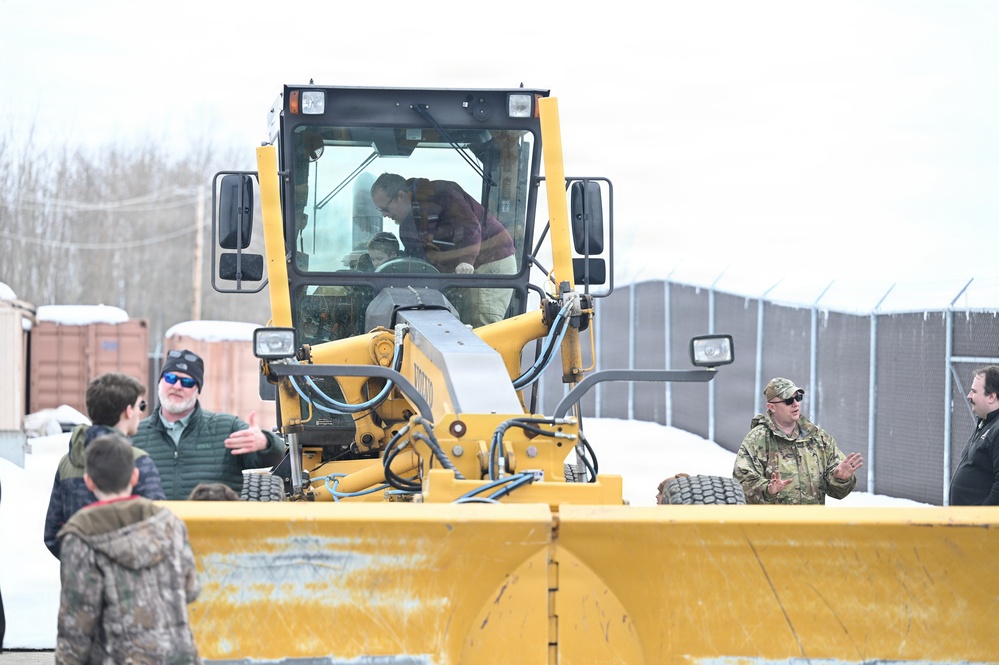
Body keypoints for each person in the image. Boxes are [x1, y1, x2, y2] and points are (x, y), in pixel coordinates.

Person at [55, 432, 201, 663]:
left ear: (88, 481)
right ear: (134, 477)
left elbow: (77, 621)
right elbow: (192, 589)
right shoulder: (170, 525)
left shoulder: (81, 536)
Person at [133, 349, 287, 500]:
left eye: (187, 382)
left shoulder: (227, 428)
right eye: (171, 378)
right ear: (160, 382)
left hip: (213, 525)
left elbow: (276, 456)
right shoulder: (134, 435)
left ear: (198, 390)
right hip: (155, 525)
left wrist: (266, 443)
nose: (177, 386)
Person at [43, 372, 166, 559]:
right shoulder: (139, 462)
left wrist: (81, 565)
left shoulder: (67, 462)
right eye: (140, 405)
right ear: (128, 411)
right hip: (127, 583)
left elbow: (52, 534)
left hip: (80, 583)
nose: (142, 412)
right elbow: (159, 529)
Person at [369, 173, 518, 326]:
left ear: (400, 196)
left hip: (490, 261)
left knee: (481, 324)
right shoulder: (407, 227)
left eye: (385, 209)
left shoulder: (442, 194)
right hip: (460, 272)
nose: (385, 216)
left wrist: (466, 261)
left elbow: (470, 227)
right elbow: (417, 259)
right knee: (460, 321)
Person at [733, 377, 863, 504]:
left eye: (798, 398)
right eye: (788, 400)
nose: (795, 404)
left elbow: (836, 491)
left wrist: (839, 478)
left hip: (811, 523)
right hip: (773, 524)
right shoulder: (757, 439)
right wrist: (768, 490)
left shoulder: (817, 438)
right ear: (771, 407)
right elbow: (743, 483)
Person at [949, 365, 999, 505]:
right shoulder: (985, 424)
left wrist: (982, 518)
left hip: (980, 524)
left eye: (974, 391)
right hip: (966, 521)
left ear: (991, 396)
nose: (968, 396)